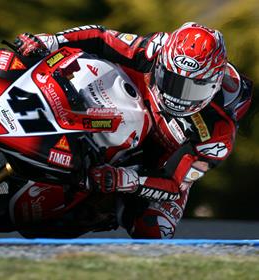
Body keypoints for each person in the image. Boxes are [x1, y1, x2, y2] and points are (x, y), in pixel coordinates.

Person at [13, 22, 253, 238]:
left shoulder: (217, 133)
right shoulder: (154, 49)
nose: (178, 96)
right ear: (161, 63)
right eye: (171, 80)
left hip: (157, 164)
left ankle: (101, 212)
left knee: (154, 229)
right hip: (117, 109)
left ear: (213, 84)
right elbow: (102, 37)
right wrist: (52, 40)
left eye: (192, 89)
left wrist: (126, 180)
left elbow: (174, 183)